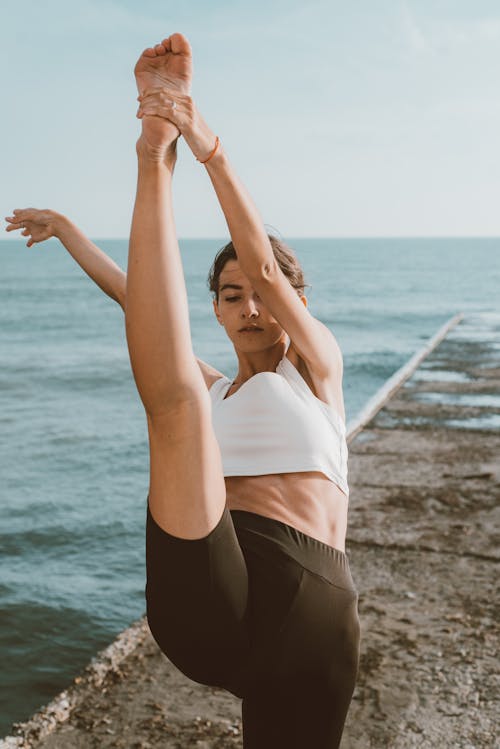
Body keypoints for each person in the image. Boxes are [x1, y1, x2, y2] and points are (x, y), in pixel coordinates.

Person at [6, 33, 360, 748]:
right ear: (218, 311)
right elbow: (134, 297)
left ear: (294, 298)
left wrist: (208, 143)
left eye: (264, 294)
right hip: (212, 594)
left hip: (313, 609)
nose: (251, 306)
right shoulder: (215, 392)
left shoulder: (319, 366)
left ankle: (167, 139)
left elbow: (261, 267)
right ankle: (150, 161)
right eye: (231, 297)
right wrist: (71, 228)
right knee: (178, 406)